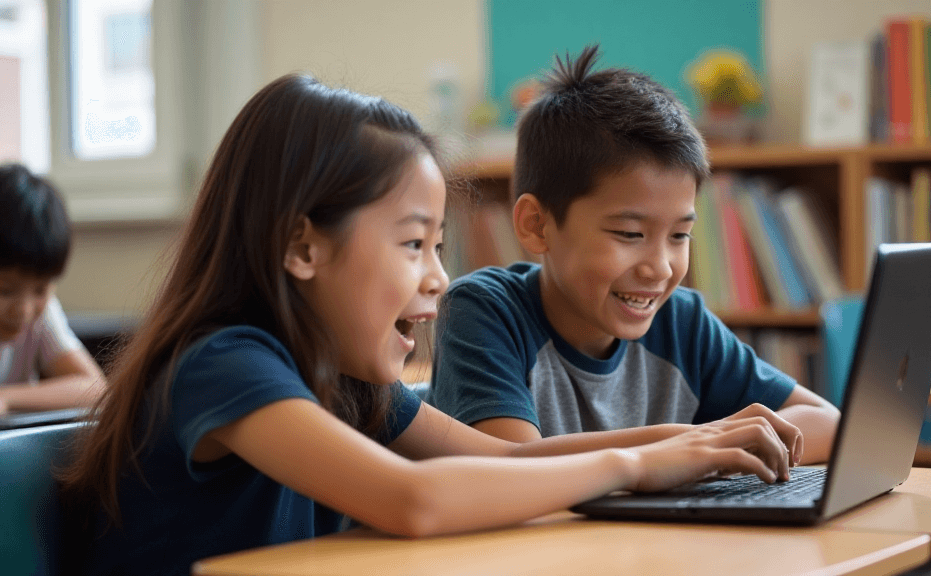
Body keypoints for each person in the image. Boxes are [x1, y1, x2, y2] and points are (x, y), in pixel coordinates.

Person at [58, 73, 801, 576]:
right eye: (413, 243)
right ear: (301, 245)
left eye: (437, 246)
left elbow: (504, 462)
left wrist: (686, 444)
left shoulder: (341, 380)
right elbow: (415, 500)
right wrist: (637, 466)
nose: (439, 278)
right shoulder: (224, 362)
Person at [429, 46, 840, 463]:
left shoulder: (681, 323)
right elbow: (515, 465)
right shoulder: (482, 311)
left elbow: (826, 422)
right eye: (629, 233)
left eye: (680, 235)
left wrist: (714, 444)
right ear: (537, 225)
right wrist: (691, 446)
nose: (660, 267)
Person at [0, 163, 105, 414]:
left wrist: (6, 398)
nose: (24, 309)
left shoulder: (42, 316)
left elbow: (96, 389)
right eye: (4, 290)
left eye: (40, 290)